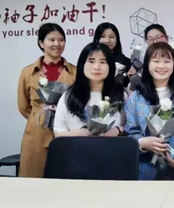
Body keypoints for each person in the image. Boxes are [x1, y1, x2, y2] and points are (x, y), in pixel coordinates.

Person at [124, 42, 174, 180]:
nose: (161, 66)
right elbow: (130, 132)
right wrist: (143, 143)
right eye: (156, 61)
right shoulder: (135, 97)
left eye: (167, 61)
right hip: (145, 170)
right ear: (147, 65)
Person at [17, 23, 76, 178]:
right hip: (36, 133)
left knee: (67, 177)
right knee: (34, 176)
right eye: (51, 40)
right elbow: (23, 106)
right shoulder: (28, 72)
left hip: (67, 131)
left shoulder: (75, 72)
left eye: (61, 40)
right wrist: (40, 116)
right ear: (41, 43)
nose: (57, 44)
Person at [54, 42, 126, 137]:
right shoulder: (69, 96)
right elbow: (58, 133)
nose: (97, 67)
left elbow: (133, 128)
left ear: (110, 66)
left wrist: (118, 130)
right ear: (82, 64)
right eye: (91, 61)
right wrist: (77, 134)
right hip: (76, 146)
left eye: (102, 62)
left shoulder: (121, 95)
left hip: (112, 146)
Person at [93, 22, 134, 88]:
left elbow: (119, 83)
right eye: (103, 36)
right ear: (97, 39)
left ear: (117, 39)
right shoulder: (90, 61)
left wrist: (127, 76)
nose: (107, 40)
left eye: (111, 37)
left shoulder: (126, 62)